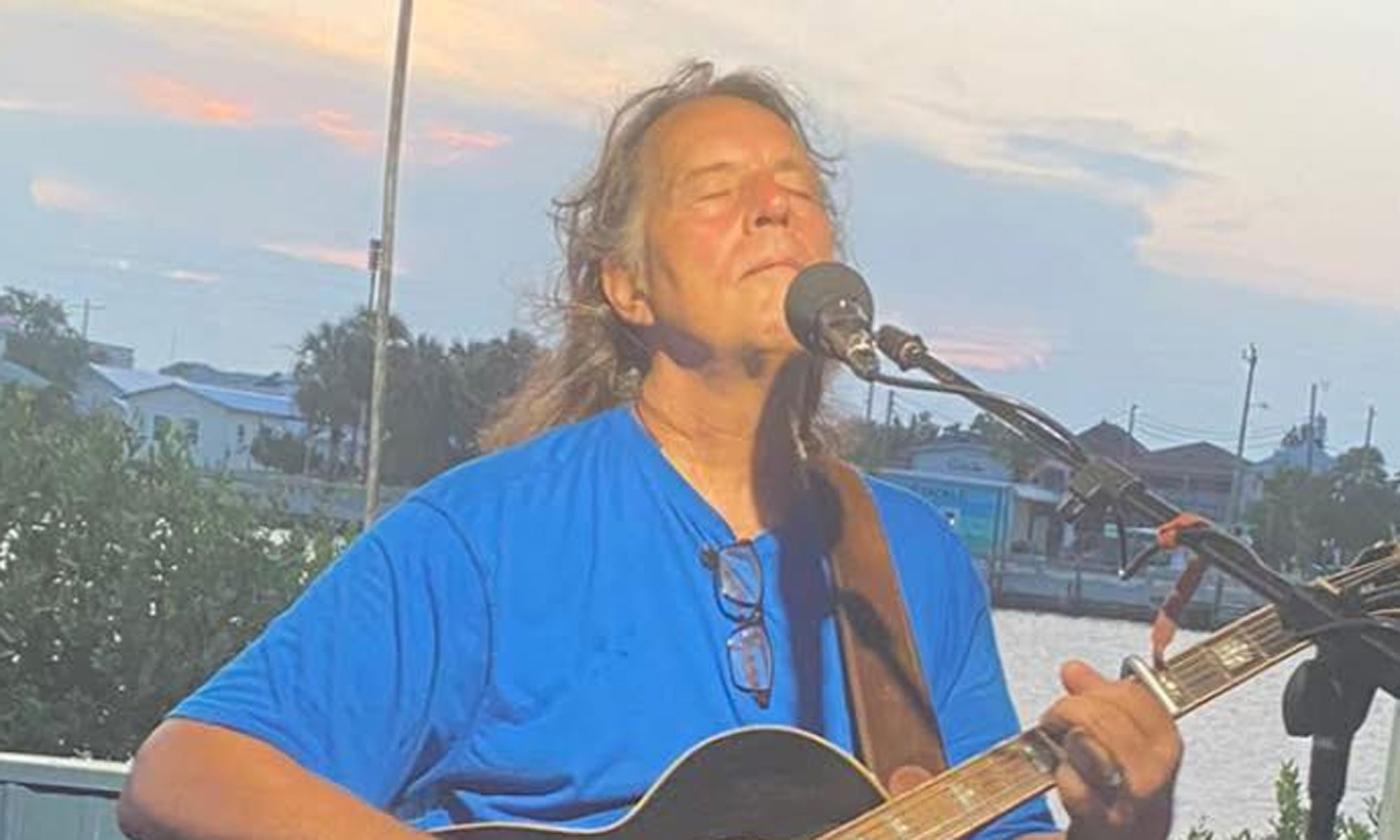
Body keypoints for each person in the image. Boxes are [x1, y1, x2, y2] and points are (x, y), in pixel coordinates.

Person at [117, 60, 1181, 840]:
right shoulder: (486, 536)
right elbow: (184, 771)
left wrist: (1120, 824)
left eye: (796, 191)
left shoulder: (910, 558)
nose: (772, 208)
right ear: (627, 289)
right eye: (716, 193)